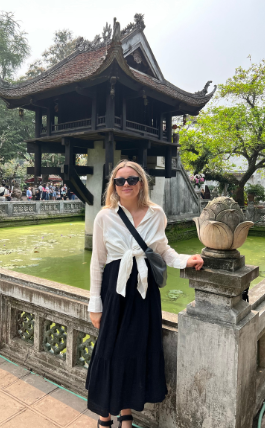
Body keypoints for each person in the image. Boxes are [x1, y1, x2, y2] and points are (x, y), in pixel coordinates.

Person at [86, 160, 203, 428]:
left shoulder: (156, 213)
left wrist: (186, 260)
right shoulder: (105, 216)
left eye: (131, 179)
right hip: (115, 290)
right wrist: (95, 302)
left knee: (134, 350)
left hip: (143, 292)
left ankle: (126, 415)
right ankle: (105, 415)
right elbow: (98, 261)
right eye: (120, 180)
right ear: (113, 186)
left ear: (141, 183)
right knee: (110, 351)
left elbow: (163, 250)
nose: (125, 185)